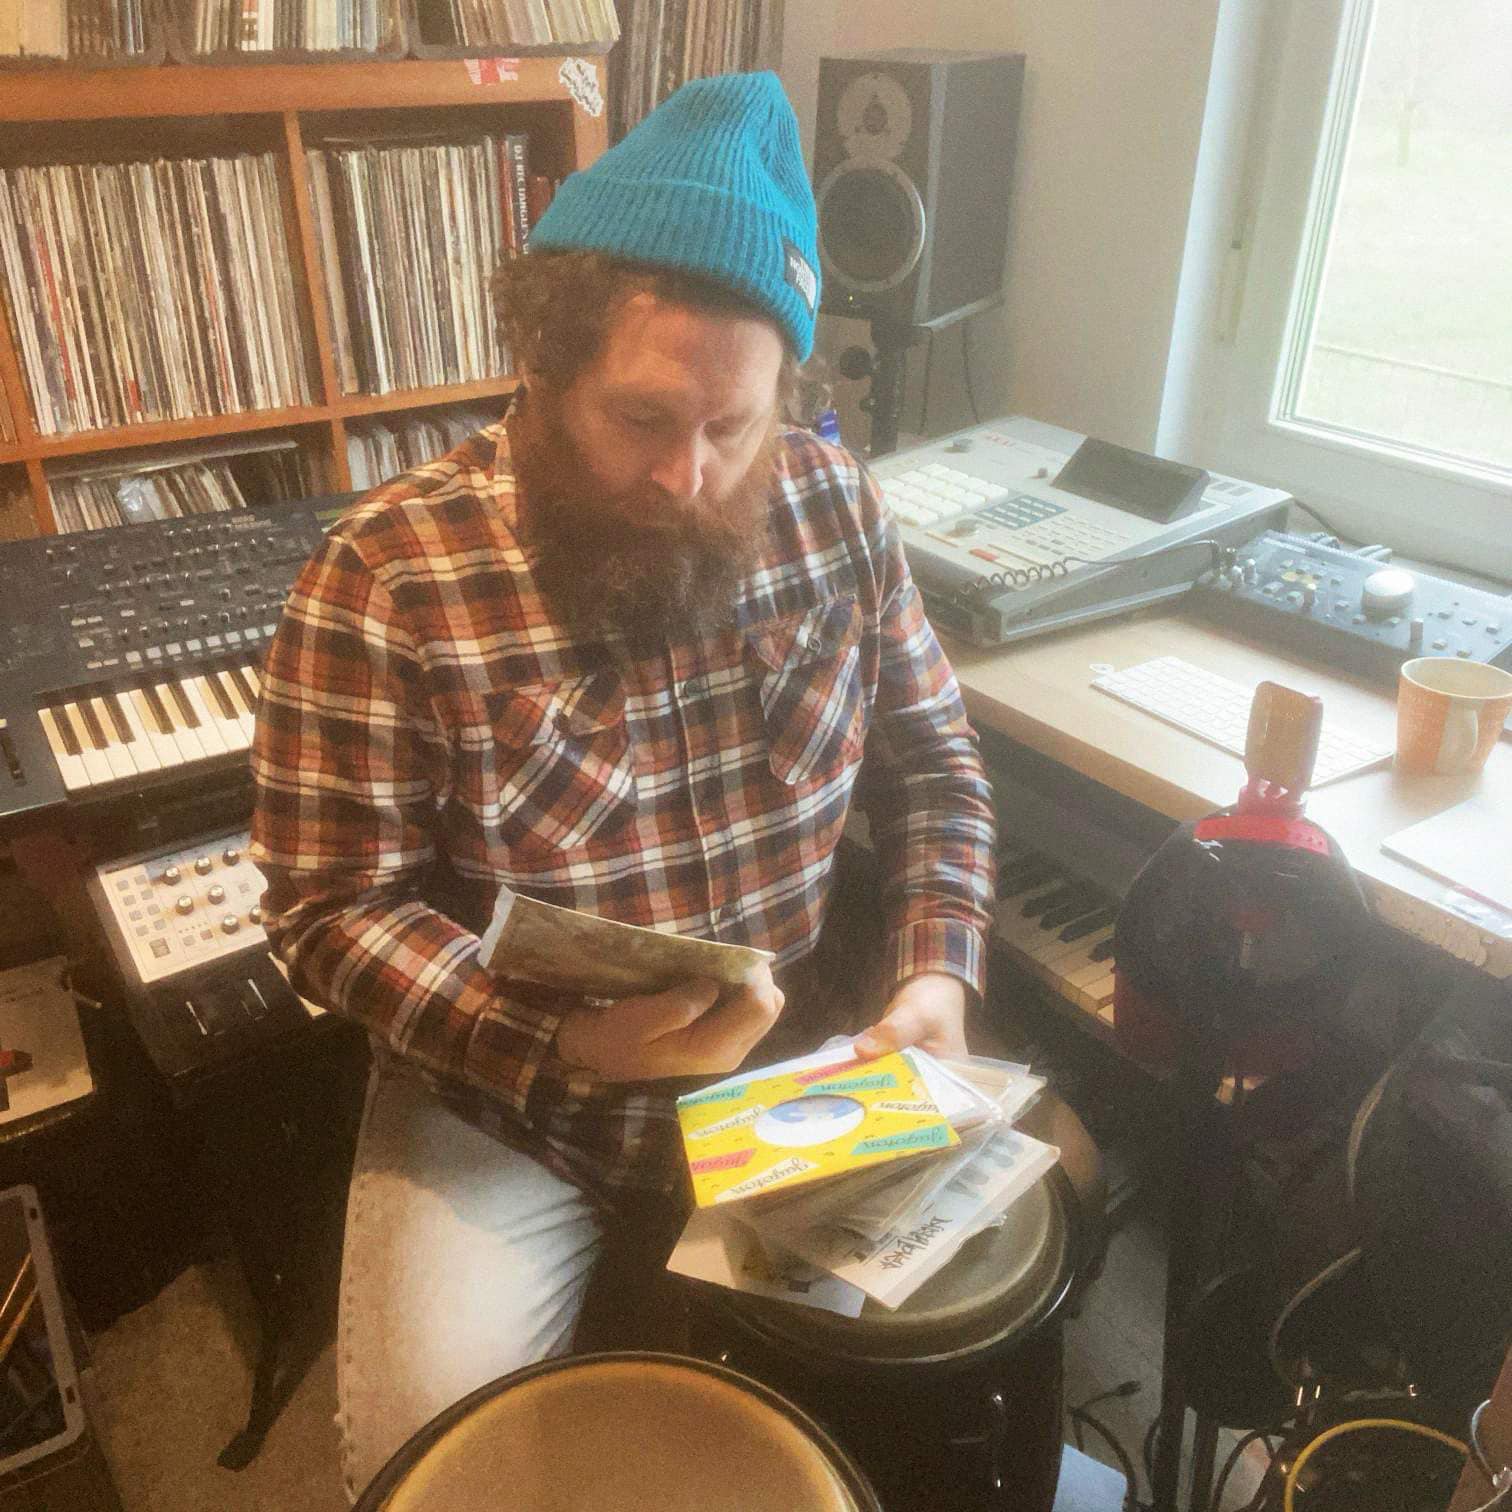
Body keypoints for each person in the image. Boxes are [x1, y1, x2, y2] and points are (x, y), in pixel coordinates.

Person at [249, 70, 996, 1501]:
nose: (688, 474)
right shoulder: (383, 574)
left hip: (796, 1074)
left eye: (735, 426)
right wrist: (556, 1048)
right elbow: (326, 909)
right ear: (542, 366)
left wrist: (935, 975)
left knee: (914, 1419)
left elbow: (938, 769)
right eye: (643, 418)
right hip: (517, 1104)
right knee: (432, 1467)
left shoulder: (835, 505)